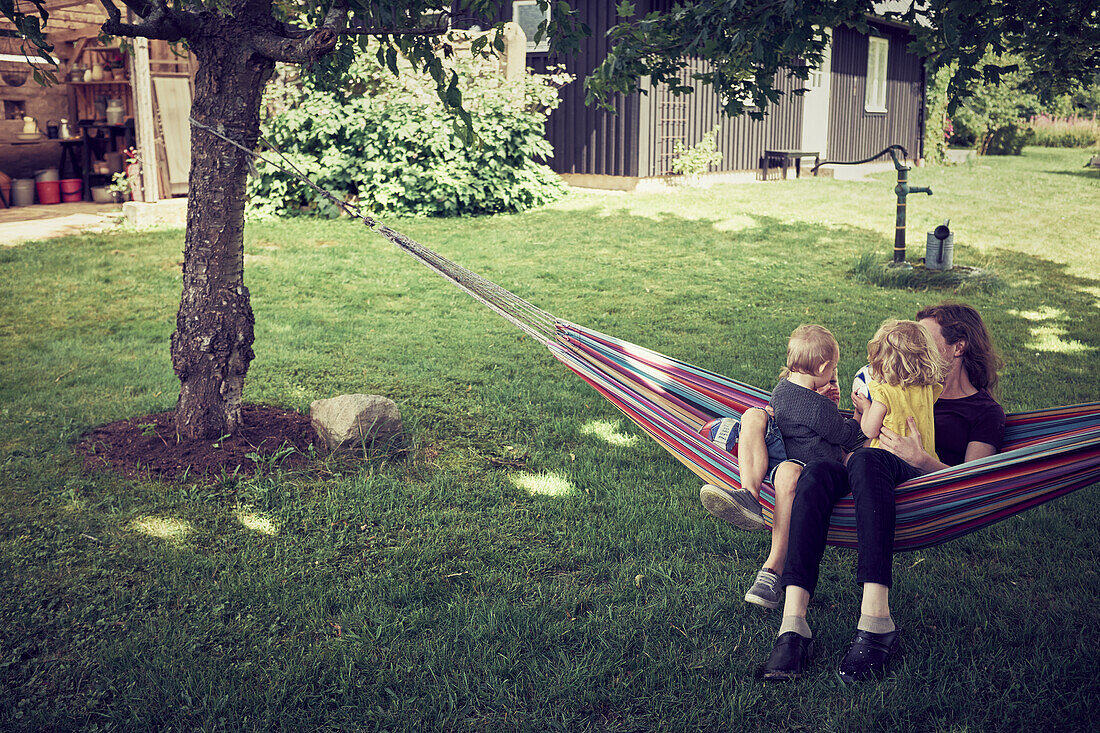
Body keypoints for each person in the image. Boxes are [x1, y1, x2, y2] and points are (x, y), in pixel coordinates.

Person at [761, 302, 1006, 684]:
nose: (914, 349)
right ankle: (793, 625)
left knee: (865, 462)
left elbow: (973, 481)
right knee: (818, 474)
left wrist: (924, 461)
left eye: (924, 338)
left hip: (918, 483)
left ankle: (876, 619)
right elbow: (862, 429)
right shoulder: (902, 380)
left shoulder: (983, 412)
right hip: (863, 468)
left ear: (957, 347)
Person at [700, 325, 865, 610]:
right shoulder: (820, 408)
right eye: (834, 368)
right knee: (755, 416)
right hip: (803, 463)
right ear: (824, 367)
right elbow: (848, 436)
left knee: (754, 416)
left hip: (788, 465)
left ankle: (769, 563)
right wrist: (863, 414)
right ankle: (748, 497)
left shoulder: (782, 389)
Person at [858, 319, 945, 462]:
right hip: (923, 466)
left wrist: (866, 407)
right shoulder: (928, 390)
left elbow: (869, 430)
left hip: (887, 462)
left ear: (883, 362)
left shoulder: (885, 393)